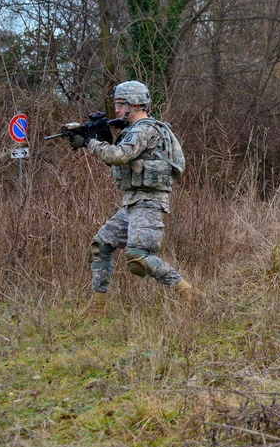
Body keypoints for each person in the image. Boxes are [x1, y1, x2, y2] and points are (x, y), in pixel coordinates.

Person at [72, 80, 200, 315]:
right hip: (133, 202)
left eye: (121, 105)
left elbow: (119, 156)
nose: (117, 110)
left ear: (135, 104)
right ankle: (97, 307)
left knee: (138, 256)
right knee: (99, 247)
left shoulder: (144, 129)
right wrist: (94, 135)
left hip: (149, 202)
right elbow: (120, 154)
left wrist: (89, 143)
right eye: (117, 104)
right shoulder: (130, 131)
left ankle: (187, 292)